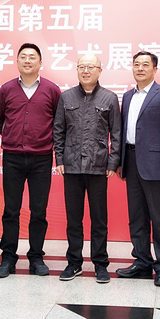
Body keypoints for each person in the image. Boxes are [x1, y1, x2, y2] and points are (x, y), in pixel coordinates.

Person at [0, 43, 61, 278]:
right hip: (12, 157)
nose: (28, 60)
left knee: (38, 210)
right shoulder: (7, 89)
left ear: (41, 62)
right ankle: (8, 257)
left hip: (42, 158)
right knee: (11, 209)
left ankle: (36, 257)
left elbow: (58, 122)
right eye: (23, 57)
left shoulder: (52, 90)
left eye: (32, 57)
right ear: (17, 62)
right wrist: (13, 137)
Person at [53, 55, 121, 283]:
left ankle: (100, 264)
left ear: (100, 70)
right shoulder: (66, 97)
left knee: (99, 219)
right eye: (81, 66)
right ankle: (74, 263)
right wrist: (59, 158)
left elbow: (116, 134)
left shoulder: (110, 98)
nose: (86, 71)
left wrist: (112, 162)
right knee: (74, 219)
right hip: (71, 166)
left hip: (98, 166)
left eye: (90, 67)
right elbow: (58, 130)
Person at [116, 51, 160, 287]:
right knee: (137, 216)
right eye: (136, 64)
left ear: (155, 69)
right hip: (131, 161)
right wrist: (120, 161)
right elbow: (124, 130)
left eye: (145, 64)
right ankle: (142, 262)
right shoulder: (127, 96)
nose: (140, 68)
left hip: (156, 163)